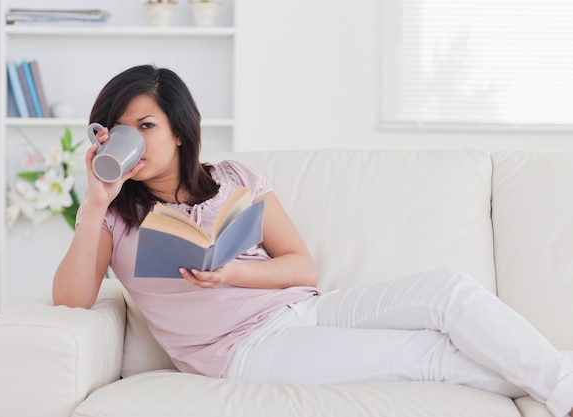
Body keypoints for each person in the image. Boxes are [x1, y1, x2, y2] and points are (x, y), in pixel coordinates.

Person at [52, 64, 573, 417]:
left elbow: (302, 268)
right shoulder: (114, 216)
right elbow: (71, 300)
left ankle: (561, 381)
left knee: (450, 289)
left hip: (305, 309)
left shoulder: (235, 179)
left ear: (180, 131)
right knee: (429, 355)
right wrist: (95, 202)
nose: (133, 141)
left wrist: (234, 274)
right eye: (119, 130)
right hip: (245, 351)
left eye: (146, 125)